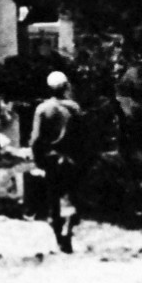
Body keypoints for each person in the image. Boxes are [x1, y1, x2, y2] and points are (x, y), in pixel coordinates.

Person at [29, 70, 85, 253]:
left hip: (51, 160)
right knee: (72, 196)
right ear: (66, 87)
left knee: (54, 199)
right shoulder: (74, 108)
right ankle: (68, 231)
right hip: (71, 159)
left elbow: (36, 139)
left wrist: (38, 159)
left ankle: (58, 235)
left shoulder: (42, 109)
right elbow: (82, 136)